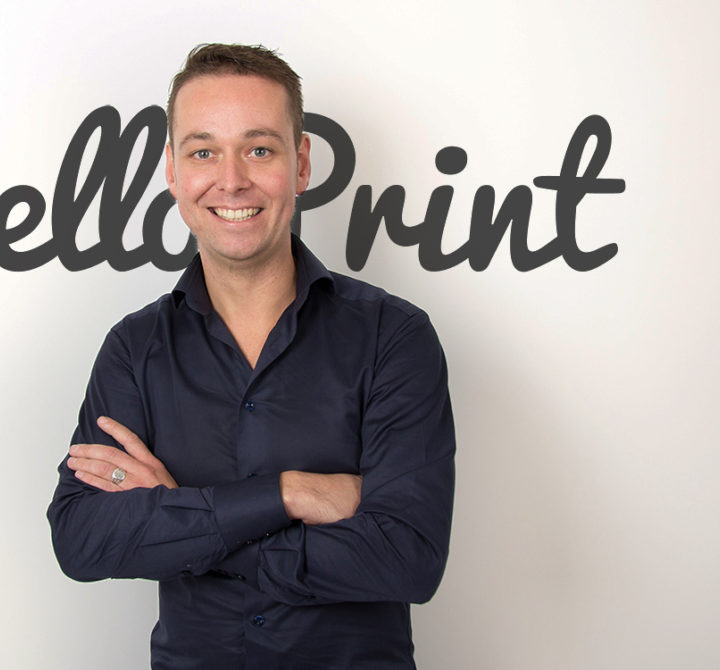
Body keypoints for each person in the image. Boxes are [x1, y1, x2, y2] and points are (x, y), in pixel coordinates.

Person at [47, 43, 456, 669]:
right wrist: (288, 495)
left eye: (259, 149)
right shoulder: (134, 349)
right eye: (203, 151)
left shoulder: (393, 337)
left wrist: (185, 514)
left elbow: (407, 558)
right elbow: (82, 540)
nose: (232, 179)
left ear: (301, 164)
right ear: (173, 171)